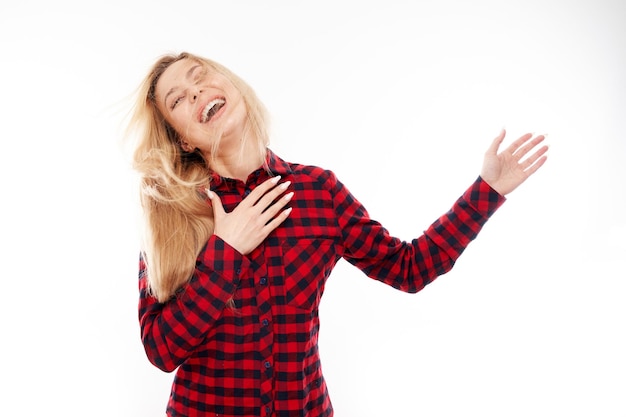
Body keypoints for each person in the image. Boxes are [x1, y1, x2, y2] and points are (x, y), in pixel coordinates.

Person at [127, 51, 548, 417]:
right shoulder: (172, 214)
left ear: (230, 85)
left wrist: (486, 192)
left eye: (199, 76)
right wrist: (226, 251)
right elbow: (161, 351)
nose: (196, 92)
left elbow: (409, 268)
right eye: (178, 99)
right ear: (181, 139)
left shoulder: (318, 192)